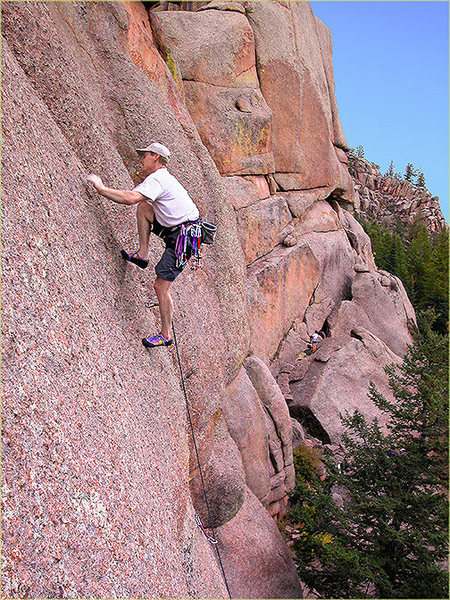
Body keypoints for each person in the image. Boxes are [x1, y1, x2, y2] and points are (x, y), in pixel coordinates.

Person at [87, 142, 201, 348]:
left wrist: (101, 189)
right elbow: (139, 203)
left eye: (144, 155)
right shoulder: (164, 178)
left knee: (160, 286)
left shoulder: (158, 178)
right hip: (179, 232)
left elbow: (130, 198)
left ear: (155, 157)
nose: (141, 159)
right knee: (144, 208)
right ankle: (142, 254)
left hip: (184, 238)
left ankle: (165, 335)